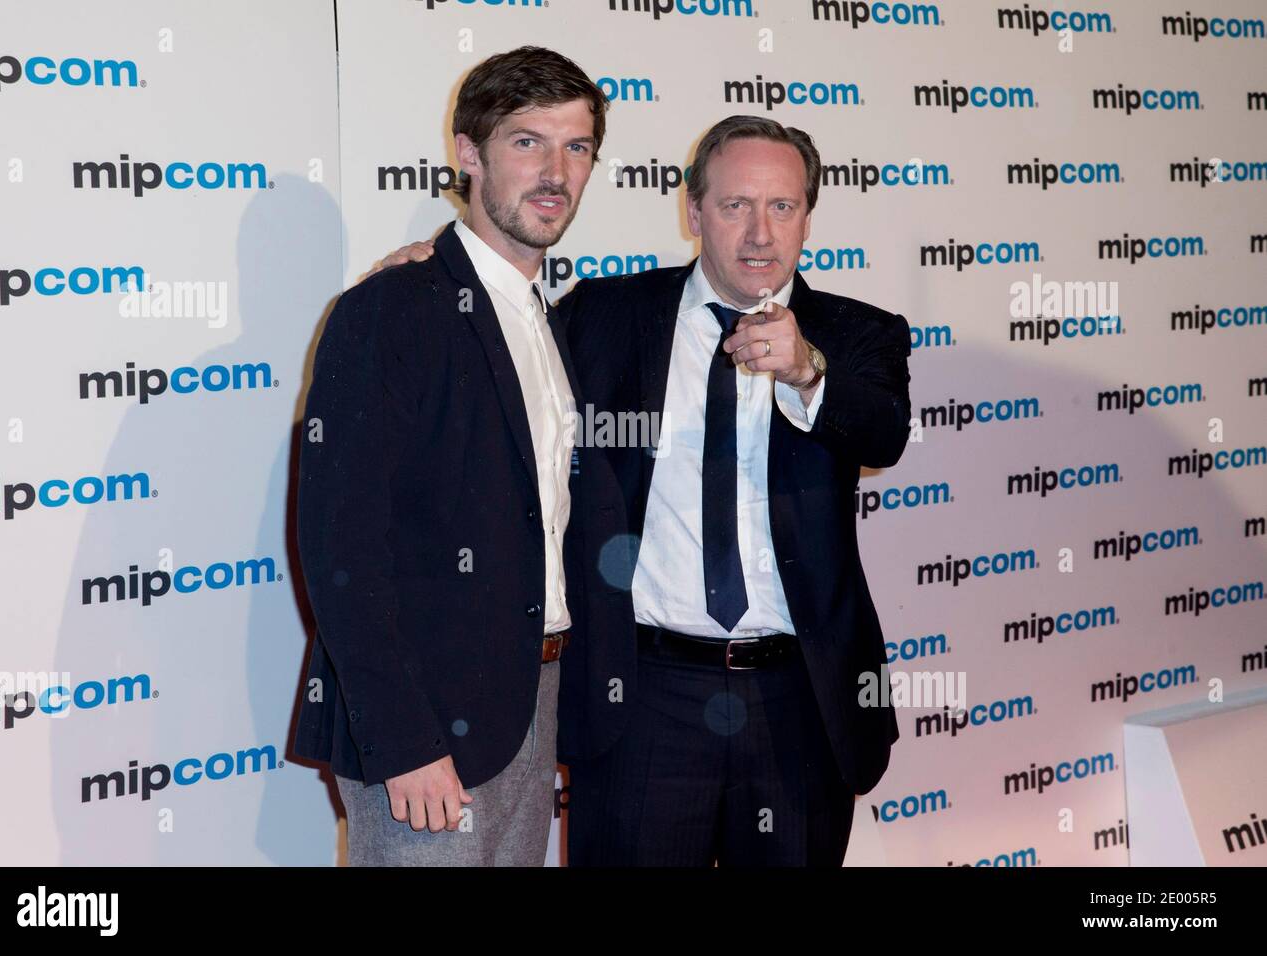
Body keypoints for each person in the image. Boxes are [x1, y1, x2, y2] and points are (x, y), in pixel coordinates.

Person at [382, 114, 912, 866]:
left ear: (807, 216)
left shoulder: (856, 333)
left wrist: (807, 371)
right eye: (734, 207)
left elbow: (883, 429)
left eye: (782, 208)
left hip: (801, 702)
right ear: (693, 213)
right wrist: (433, 282)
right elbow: (501, 361)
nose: (760, 234)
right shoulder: (606, 316)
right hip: (643, 699)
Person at [290, 46, 619, 866]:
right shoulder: (391, 311)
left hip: (531, 697)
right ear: (468, 154)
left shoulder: (546, 320)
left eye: (576, 148)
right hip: (425, 719)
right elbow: (340, 544)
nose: (555, 171)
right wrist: (401, 739)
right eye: (527, 142)